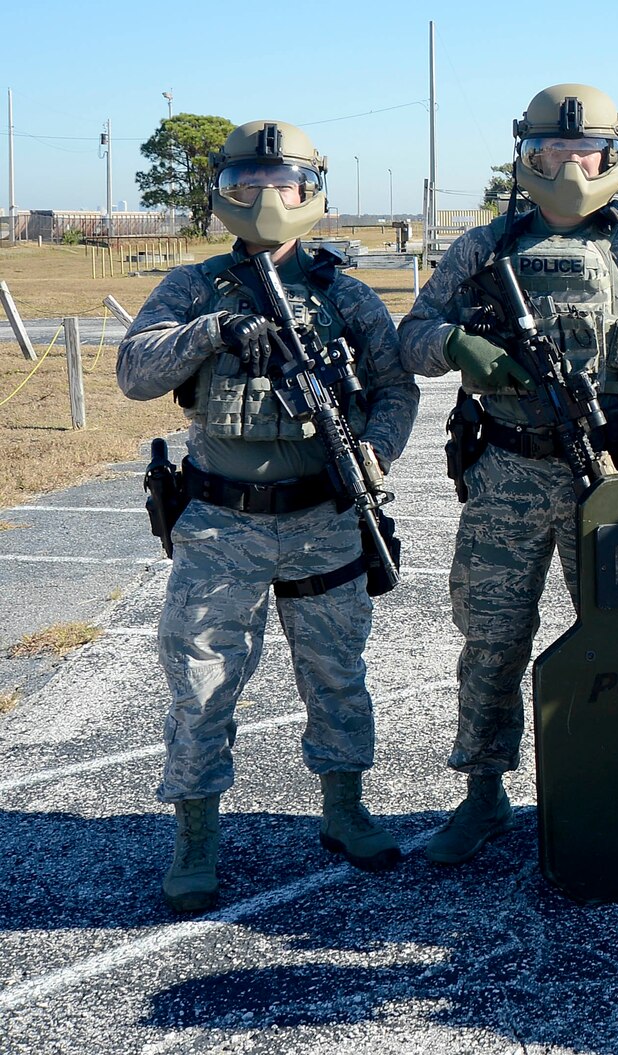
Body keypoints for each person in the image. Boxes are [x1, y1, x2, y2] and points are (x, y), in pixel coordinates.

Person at [398, 83, 618, 865]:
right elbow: (409, 338)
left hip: (608, 476)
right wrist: (457, 346)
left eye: (586, 151)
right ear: (527, 154)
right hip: (505, 468)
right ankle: (482, 792)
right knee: (492, 639)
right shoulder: (484, 249)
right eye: (553, 150)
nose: (571, 164)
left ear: (613, 156)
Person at [118, 120, 419, 911]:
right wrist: (211, 332)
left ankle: (346, 810)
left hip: (323, 514)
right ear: (223, 192)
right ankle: (195, 836)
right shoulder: (198, 285)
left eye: (282, 181)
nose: (265, 197)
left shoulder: (343, 293)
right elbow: (132, 370)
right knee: (203, 681)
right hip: (222, 521)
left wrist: (376, 455)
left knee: (337, 676)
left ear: (310, 190)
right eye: (246, 183)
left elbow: (396, 387)